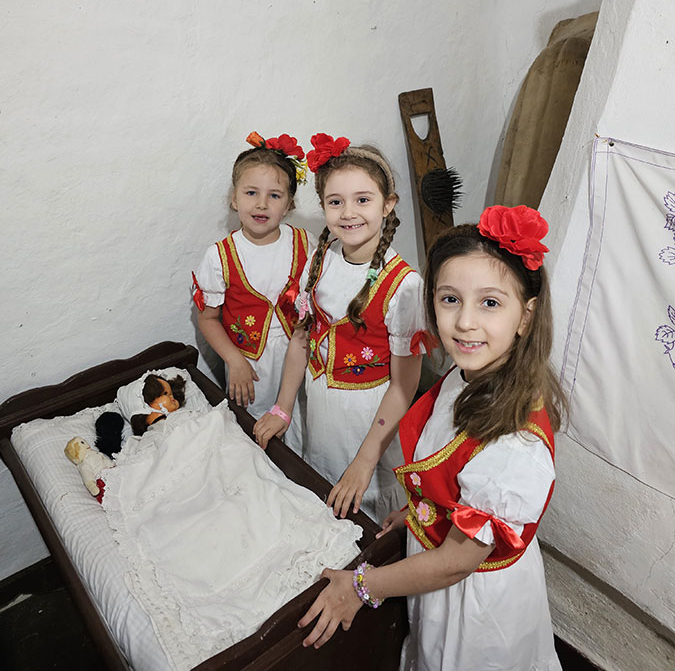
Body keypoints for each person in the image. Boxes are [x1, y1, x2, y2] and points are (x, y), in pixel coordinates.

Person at [296, 204, 567, 671]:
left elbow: (457, 562)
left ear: (526, 316)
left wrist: (361, 586)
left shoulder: (515, 447)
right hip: (439, 572)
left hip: (472, 601)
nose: (464, 322)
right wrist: (419, 512)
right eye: (449, 299)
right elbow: (452, 481)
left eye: (490, 303)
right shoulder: (466, 375)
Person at [254, 133, 429, 524]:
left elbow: (404, 388)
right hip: (318, 409)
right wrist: (283, 408)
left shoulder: (405, 287)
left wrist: (364, 464)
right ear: (323, 206)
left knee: (358, 517)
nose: (349, 213)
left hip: (366, 423)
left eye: (362, 200)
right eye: (336, 202)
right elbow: (302, 338)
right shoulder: (321, 257)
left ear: (388, 204)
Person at [192, 132, 314, 454]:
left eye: (274, 195)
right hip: (250, 366)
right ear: (234, 199)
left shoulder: (305, 243)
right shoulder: (219, 257)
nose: (261, 204)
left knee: (301, 426)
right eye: (251, 193)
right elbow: (207, 319)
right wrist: (234, 361)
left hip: (300, 355)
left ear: (289, 204)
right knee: (255, 437)